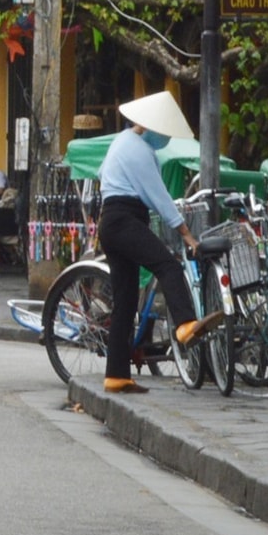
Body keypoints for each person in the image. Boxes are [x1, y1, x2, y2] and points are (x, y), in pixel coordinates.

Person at [97, 92, 220, 394]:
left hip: (111, 220)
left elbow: (104, 175)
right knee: (167, 266)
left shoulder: (120, 142)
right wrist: (185, 233)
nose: (164, 137)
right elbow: (159, 197)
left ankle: (116, 375)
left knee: (125, 302)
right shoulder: (139, 150)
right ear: (149, 127)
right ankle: (184, 324)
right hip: (126, 219)